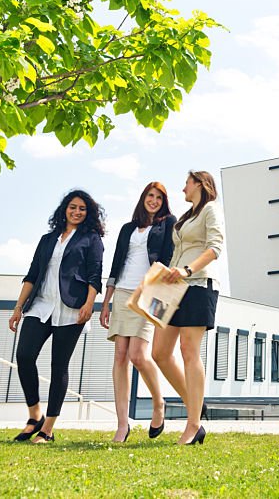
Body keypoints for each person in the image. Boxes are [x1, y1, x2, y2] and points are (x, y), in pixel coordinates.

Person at [8, 190, 105, 443]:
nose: (76, 212)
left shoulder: (91, 239)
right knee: (24, 356)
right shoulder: (47, 239)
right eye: (73, 207)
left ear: (88, 214)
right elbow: (32, 274)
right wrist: (19, 307)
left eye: (82, 209)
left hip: (72, 309)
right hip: (40, 305)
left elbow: (96, 275)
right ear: (65, 209)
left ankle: (47, 429)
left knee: (58, 366)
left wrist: (89, 304)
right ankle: (34, 415)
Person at [101, 181, 179, 442]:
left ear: (163, 201)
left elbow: (169, 258)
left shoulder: (168, 224)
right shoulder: (127, 229)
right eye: (150, 195)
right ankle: (122, 424)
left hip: (150, 292)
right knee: (120, 356)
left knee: (137, 355)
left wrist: (157, 292)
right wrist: (106, 301)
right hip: (122, 292)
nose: (153, 200)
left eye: (158, 197)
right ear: (143, 198)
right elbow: (116, 264)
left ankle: (159, 403)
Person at [156, 170, 224, 445]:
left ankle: (193, 423)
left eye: (186, 182)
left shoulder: (210, 210)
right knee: (159, 352)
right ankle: (195, 402)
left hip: (199, 284)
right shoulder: (186, 218)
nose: (183, 187)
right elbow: (176, 252)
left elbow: (215, 248)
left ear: (200, 184)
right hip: (174, 287)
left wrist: (186, 269)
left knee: (188, 350)